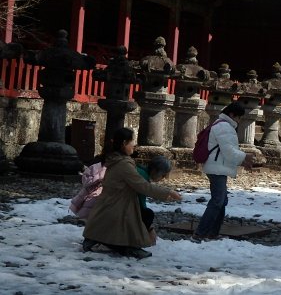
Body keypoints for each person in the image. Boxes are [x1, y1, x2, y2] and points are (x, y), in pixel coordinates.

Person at [82, 128, 181, 258]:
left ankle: (97, 239)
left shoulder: (119, 160)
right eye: (131, 142)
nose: (134, 144)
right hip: (117, 204)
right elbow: (142, 186)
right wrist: (169, 192)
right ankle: (129, 246)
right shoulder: (123, 164)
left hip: (113, 202)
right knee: (133, 220)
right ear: (124, 143)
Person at [70, 155, 172, 245]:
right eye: (162, 175)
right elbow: (141, 202)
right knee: (147, 214)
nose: (162, 178)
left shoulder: (136, 169)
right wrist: (149, 228)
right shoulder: (140, 175)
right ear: (155, 170)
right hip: (117, 205)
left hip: (109, 202)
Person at [192, 101, 253, 242]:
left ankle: (212, 232)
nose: (239, 120)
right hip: (217, 168)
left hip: (217, 166)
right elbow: (229, 151)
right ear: (232, 115)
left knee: (221, 201)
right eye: (239, 117)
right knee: (217, 201)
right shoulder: (224, 127)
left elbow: (226, 151)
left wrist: (243, 161)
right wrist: (245, 157)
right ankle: (200, 233)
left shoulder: (221, 125)